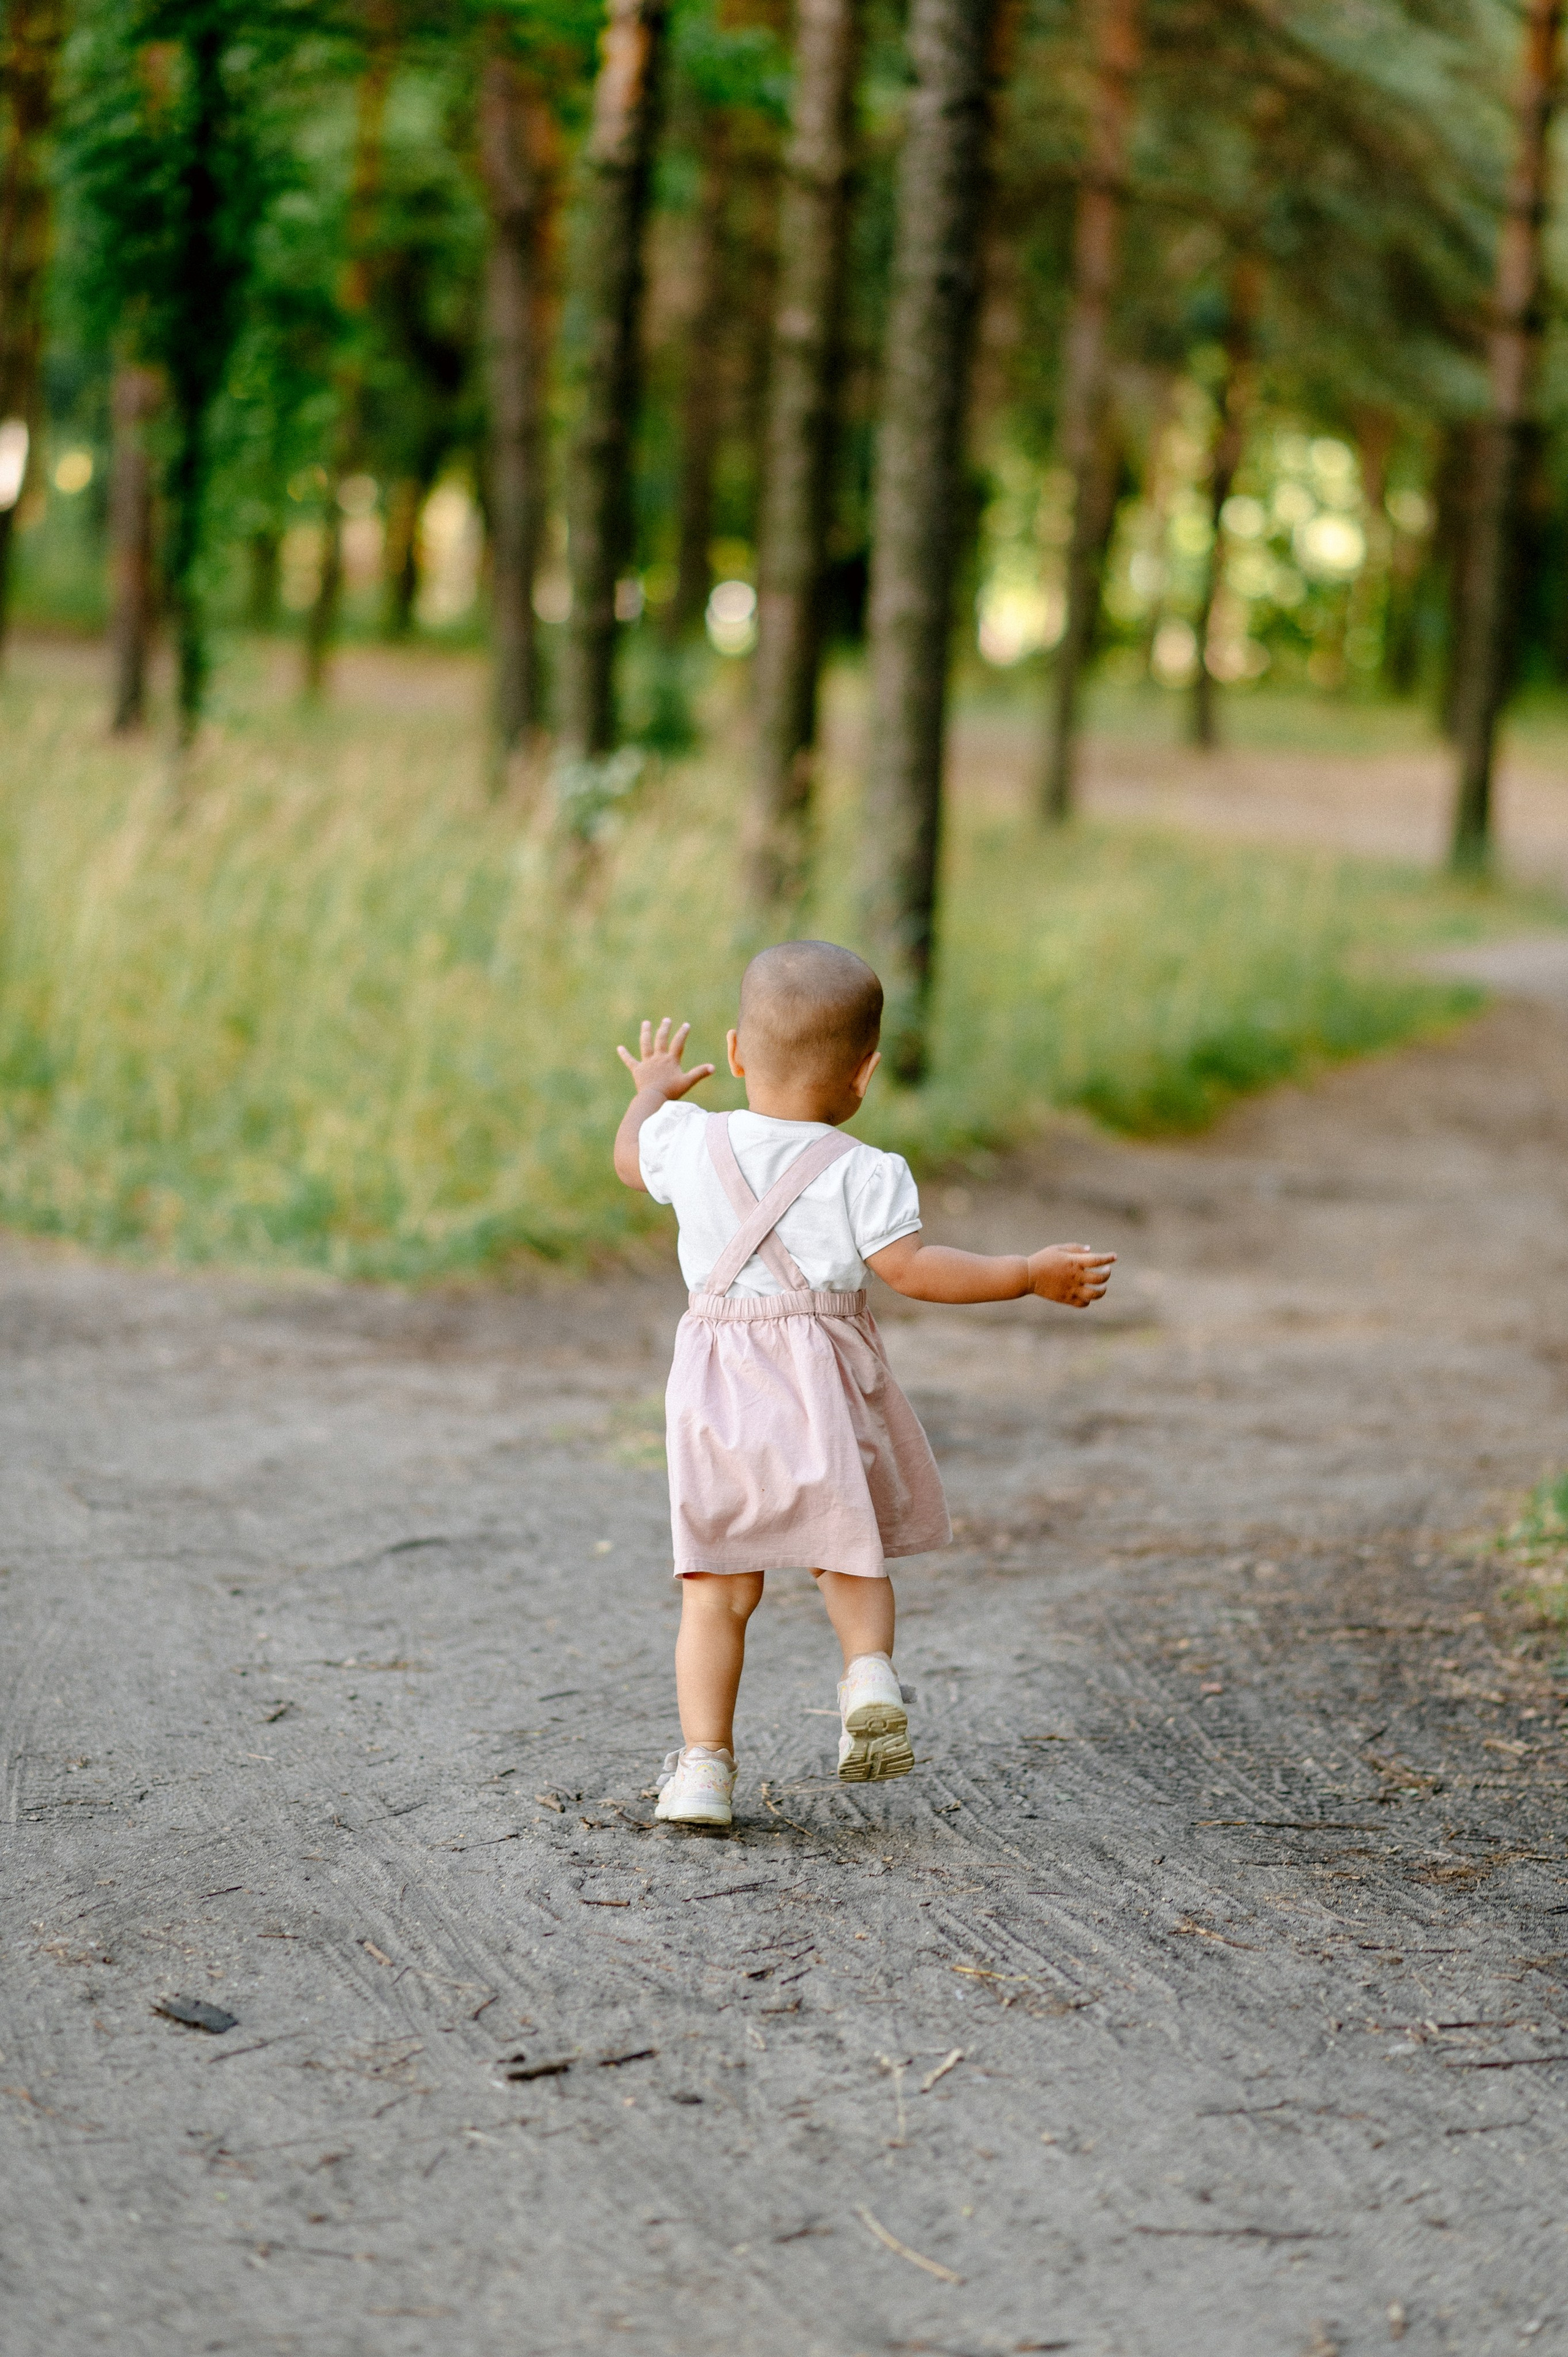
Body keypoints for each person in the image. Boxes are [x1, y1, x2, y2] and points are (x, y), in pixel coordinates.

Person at [613, 940, 1115, 1828]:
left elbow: (628, 1160)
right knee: (847, 1548)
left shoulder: (688, 1140)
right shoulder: (864, 1171)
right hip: (823, 1390)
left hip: (718, 1398)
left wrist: (653, 1090)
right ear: (865, 1074)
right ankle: (869, 1675)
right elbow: (918, 1271)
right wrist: (1026, 1272)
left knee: (717, 1589)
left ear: (734, 1054)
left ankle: (702, 1770)